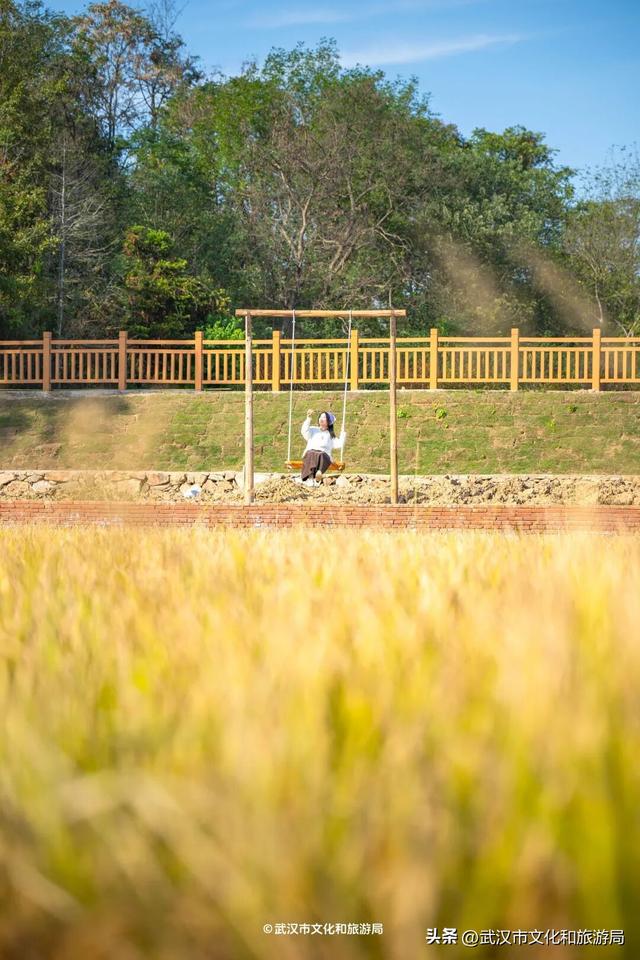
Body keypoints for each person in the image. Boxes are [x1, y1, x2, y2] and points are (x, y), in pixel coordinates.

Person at [298, 409, 346, 485]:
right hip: (311, 454)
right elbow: (304, 431)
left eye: (324, 417)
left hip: (323, 456)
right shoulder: (313, 430)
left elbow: (339, 444)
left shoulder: (330, 435)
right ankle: (311, 478)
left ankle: (319, 472)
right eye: (320, 417)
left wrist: (343, 433)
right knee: (311, 453)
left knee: (322, 454)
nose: (321, 419)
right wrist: (308, 418)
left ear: (329, 422)